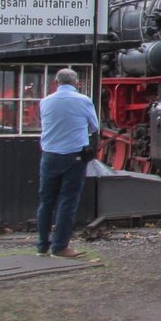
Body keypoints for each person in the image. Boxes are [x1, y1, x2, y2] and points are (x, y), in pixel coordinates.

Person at [36, 68, 99, 258]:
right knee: (68, 200)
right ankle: (60, 246)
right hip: (74, 156)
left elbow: (43, 122)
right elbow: (94, 126)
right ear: (76, 83)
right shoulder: (84, 101)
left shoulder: (45, 102)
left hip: (49, 155)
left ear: (56, 82)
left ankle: (42, 246)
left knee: (46, 201)